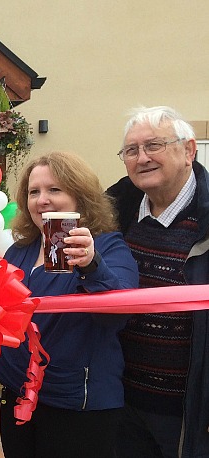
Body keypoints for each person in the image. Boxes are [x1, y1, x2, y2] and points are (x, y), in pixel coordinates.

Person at [0, 151, 139, 457]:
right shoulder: (20, 251)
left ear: (80, 197)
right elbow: (3, 326)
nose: (42, 200)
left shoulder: (107, 245)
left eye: (54, 190)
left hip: (77, 405)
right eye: (34, 192)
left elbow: (118, 314)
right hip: (17, 398)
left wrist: (91, 264)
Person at [108, 106, 209, 458]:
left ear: (189, 150)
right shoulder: (113, 212)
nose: (142, 158)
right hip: (120, 400)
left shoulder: (205, 221)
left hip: (189, 409)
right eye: (131, 150)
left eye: (154, 145)